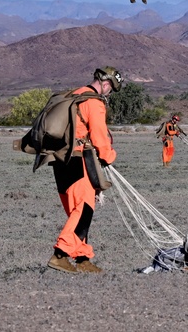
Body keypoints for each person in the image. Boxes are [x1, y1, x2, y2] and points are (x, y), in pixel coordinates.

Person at [47, 66, 123, 274]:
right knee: (84, 211)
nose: (109, 93)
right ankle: (60, 255)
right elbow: (99, 136)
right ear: (106, 84)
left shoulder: (73, 95)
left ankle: (82, 259)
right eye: (111, 89)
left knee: (75, 212)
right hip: (79, 160)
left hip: (59, 160)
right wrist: (109, 156)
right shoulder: (94, 103)